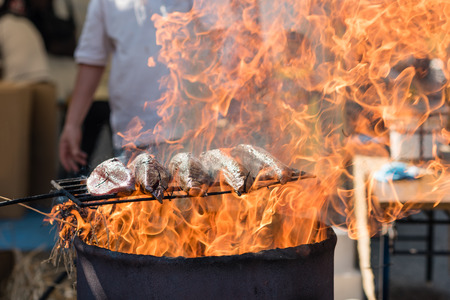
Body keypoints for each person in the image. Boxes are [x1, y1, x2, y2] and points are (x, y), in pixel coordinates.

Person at [59, 0, 193, 173]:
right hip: (130, 137)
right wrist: (72, 124)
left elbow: (220, 35)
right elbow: (92, 58)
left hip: (187, 134)